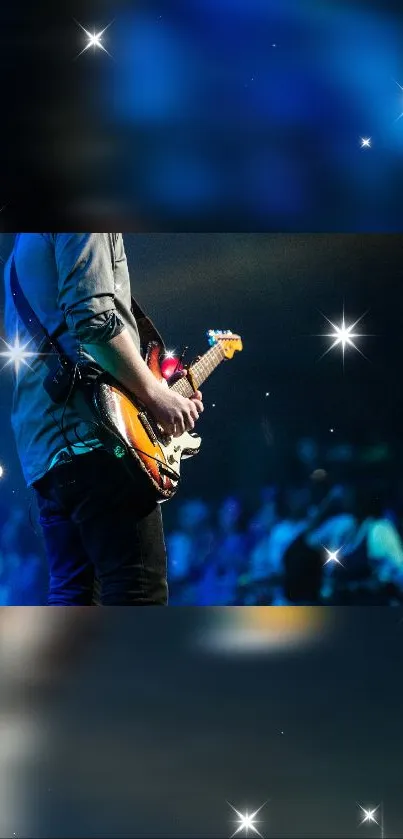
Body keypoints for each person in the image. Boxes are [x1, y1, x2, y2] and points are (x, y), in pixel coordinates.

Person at [3, 234, 203, 605]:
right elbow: (93, 322)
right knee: (138, 592)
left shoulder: (22, 247)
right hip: (99, 438)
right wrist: (157, 396)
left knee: (73, 597)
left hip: (47, 450)